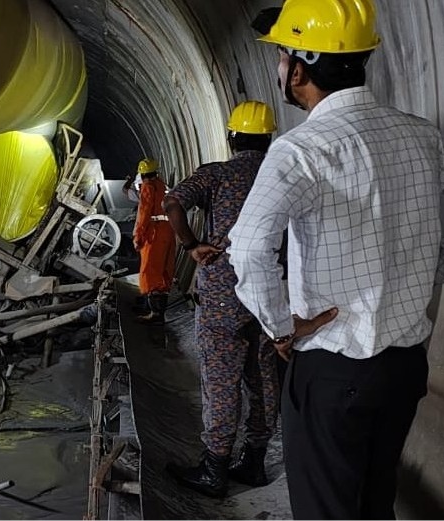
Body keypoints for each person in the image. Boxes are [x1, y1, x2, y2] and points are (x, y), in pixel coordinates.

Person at [228, 0, 444, 518]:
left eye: (279, 57)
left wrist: (279, 327)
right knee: (372, 502)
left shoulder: (301, 150)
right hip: (404, 367)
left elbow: (249, 246)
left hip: (332, 370)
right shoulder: (418, 135)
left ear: (298, 68)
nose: (278, 68)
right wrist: (439, 266)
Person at [163, 101, 279, 498]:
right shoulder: (281, 173)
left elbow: (173, 202)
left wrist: (192, 245)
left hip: (222, 294)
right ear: (269, 138)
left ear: (232, 137)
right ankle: (255, 460)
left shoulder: (218, 174)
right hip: (269, 292)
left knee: (221, 379)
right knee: (262, 376)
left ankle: (214, 467)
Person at [133, 158, 176, 323]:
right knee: (164, 270)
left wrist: (138, 236)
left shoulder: (148, 187)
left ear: (142, 175)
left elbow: (143, 213)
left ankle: (154, 312)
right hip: (169, 230)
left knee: (150, 270)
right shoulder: (164, 186)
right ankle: (156, 309)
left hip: (155, 231)